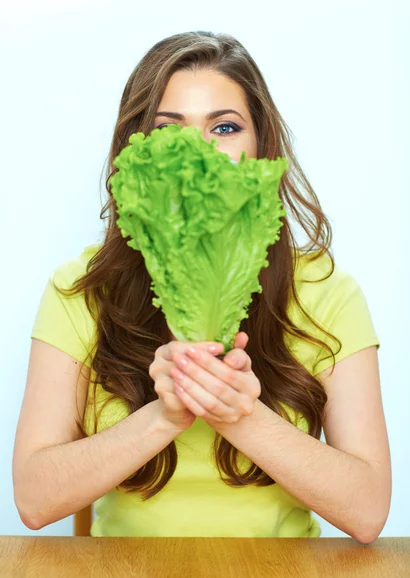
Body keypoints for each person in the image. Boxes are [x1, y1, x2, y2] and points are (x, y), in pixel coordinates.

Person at [13, 31, 391, 543]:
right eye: (170, 131)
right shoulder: (80, 289)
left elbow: (368, 513)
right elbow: (33, 500)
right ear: (134, 153)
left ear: (262, 149)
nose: (200, 155)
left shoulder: (326, 293)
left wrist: (241, 417)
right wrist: (164, 417)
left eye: (226, 127)